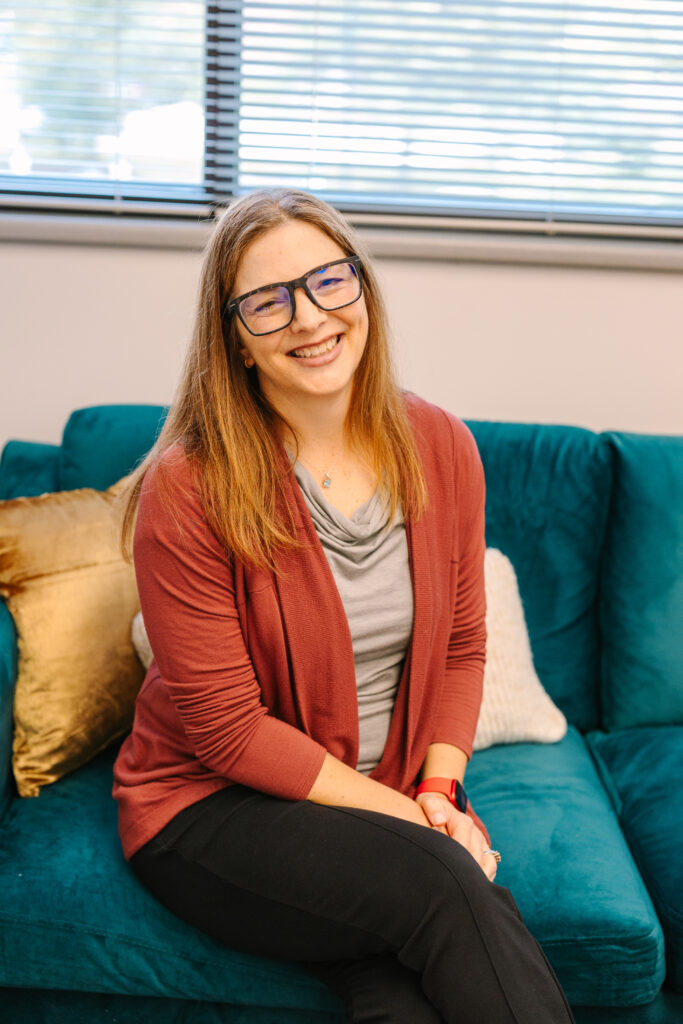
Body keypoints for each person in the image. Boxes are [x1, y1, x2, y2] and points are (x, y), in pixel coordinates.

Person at [112, 188, 576, 1024]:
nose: (308, 317)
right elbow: (224, 730)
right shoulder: (186, 488)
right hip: (209, 807)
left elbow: (464, 644)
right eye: (267, 301)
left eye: (330, 281)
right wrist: (418, 824)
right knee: (448, 885)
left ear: (362, 290)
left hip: (386, 796)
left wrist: (438, 786)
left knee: (404, 992)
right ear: (237, 340)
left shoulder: (440, 445)